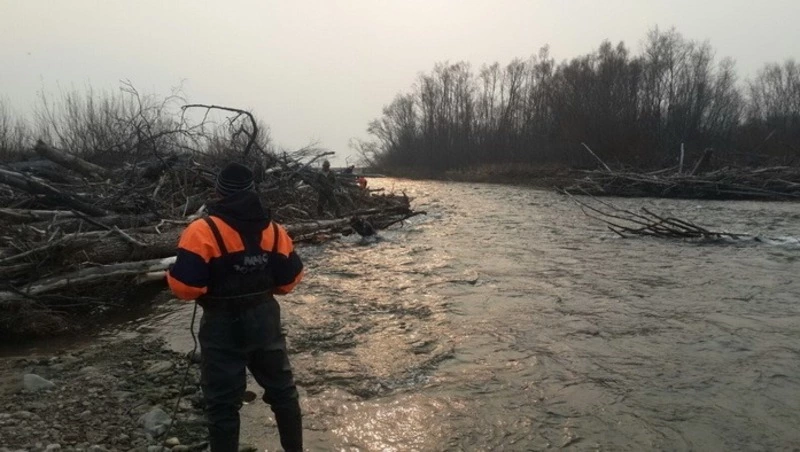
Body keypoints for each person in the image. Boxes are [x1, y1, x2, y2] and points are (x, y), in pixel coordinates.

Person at [166, 162, 304, 452]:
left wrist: (171, 273)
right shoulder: (274, 230)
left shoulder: (201, 231)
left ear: (218, 192)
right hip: (265, 322)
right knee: (283, 393)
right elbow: (289, 282)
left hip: (222, 327)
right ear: (253, 191)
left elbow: (185, 289)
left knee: (222, 405)